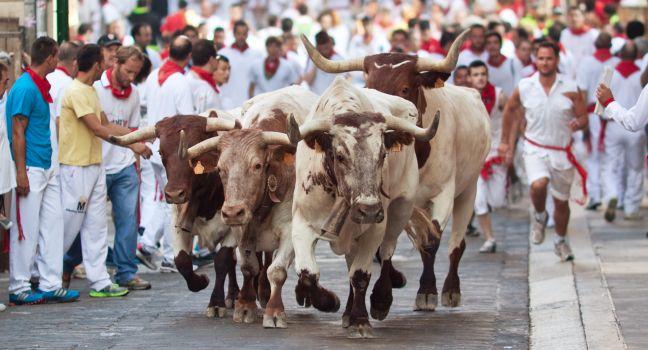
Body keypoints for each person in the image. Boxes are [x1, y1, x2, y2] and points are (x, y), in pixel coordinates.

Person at [58, 43, 150, 297]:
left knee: (99, 226)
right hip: (77, 165)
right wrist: (135, 143)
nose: (107, 64)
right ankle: (51, 275)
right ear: (98, 64)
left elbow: (109, 124)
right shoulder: (78, 90)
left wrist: (138, 139)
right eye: (105, 61)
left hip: (98, 164)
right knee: (70, 226)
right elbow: (98, 129)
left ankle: (101, 280)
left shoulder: (90, 91)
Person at [6, 37, 80, 305]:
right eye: (55, 56)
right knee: (26, 227)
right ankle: (19, 284)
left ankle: (50, 282)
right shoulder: (26, 87)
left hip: (46, 165)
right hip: (31, 166)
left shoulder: (38, 85)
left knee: (52, 225)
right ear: (50, 57)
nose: (57, 61)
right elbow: (18, 131)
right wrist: (21, 171)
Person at [499, 41, 588, 262]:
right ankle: (539, 216)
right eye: (541, 58)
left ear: (556, 60)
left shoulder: (571, 87)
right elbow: (509, 110)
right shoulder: (526, 85)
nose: (545, 62)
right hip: (534, 148)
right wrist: (504, 142)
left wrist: (579, 124)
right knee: (538, 184)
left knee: (561, 202)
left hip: (562, 152)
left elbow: (584, 117)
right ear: (535, 60)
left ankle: (560, 241)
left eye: (549, 58)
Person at [91, 45, 151, 290]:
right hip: (98, 163)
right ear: (115, 63)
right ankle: (68, 264)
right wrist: (132, 141)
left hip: (125, 165)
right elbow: (102, 126)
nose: (131, 77)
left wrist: (135, 165)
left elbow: (134, 128)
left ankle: (126, 272)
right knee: (88, 222)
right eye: (128, 71)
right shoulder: (95, 89)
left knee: (128, 220)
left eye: (135, 73)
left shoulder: (134, 92)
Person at [139, 35, 194, 272]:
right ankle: (170, 254)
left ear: (169, 49)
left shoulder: (153, 76)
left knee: (164, 200)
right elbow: (188, 117)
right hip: (173, 154)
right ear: (188, 56)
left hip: (154, 148)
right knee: (175, 204)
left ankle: (149, 243)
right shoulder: (180, 81)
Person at [599, 42, 646, 222]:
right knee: (635, 167)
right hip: (637, 130)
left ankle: (612, 194)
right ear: (637, 56)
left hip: (615, 123)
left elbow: (600, 102)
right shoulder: (640, 76)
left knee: (612, 164)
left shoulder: (611, 74)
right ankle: (631, 207)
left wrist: (609, 103)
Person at [576, 33, 619, 211]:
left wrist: (582, 118)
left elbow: (582, 92)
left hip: (594, 114)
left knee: (593, 156)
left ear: (595, 44)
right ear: (610, 46)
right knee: (611, 158)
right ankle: (612, 194)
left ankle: (595, 196)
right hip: (614, 114)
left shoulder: (586, 62)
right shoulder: (617, 63)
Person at [468, 60, 508, 253]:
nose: (480, 77)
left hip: (497, 153)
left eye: (483, 74)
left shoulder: (500, 95)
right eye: (476, 74)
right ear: (470, 78)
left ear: (488, 76)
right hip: (476, 156)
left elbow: (511, 119)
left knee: (498, 200)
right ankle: (489, 238)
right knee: (479, 201)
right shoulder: (466, 98)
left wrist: (508, 144)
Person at [217, 20, 262, 109]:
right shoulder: (222, 54)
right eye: (238, 33)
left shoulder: (257, 55)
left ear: (248, 34)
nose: (241, 37)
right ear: (233, 34)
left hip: (250, 104)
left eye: (244, 34)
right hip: (227, 103)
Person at [560, 6, 599, 78]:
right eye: (571, 15)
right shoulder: (564, 34)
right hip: (570, 76)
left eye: (576, 15)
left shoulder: (593, 34)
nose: (574, 19)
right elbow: (563, 56)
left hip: (589, 75)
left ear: (583, 17)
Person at [485, 31, 521, 96]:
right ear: (485, 46)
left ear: (501, 45)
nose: (492, 46)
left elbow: (519, 87)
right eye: (489, 43)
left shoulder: (513, 63)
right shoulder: (483, 67)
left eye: (495, 42)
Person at [188, 39, 220, 112]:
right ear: (211, 60)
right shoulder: (206, 88)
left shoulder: (186, 78)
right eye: (217, 57)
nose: (218, 61)